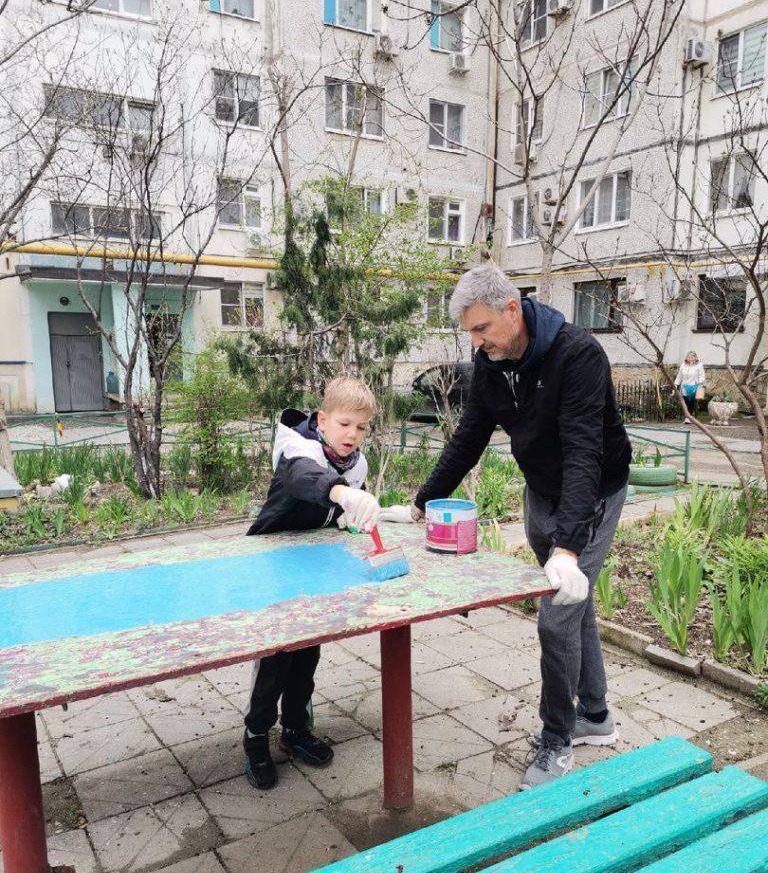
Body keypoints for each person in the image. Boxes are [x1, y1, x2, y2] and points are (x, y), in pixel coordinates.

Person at [392, 264, 632, 789]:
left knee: (555, 618)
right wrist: (421, 504)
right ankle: (596, 716)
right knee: (575, 604)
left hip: (591, 495)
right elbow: (469, 437)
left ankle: (556, 743)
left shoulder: (578, 355)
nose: (476, 343)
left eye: (481, 329)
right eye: (469, 334)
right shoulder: (490, 364)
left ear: (510, 309)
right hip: (540, 491)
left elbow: (584, 455)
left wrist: (568, 547)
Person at [243, 376, 381, 790]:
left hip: (315, 565)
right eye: (343, 424)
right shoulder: (296, 448)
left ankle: (295, 730)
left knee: (308, 655)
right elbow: (305, 481)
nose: (351, 435)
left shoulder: (355, 464)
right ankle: (255, 737)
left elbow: (336, 513)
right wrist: (341, 496)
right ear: (322, 420)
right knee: (277, 658)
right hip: (276, 564)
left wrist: (351, 517)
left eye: (360, 428)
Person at [673, 351, 706, 423]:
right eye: (689, 357)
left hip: (694, 386)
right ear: (686, 357)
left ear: (695, 357)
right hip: (685, 386)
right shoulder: (683, 365)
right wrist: (676, 384)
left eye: (692, 357)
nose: (690, 358)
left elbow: (702, 375)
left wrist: (700, 383)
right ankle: (687, 417)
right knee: (685, 402)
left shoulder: (699, 365)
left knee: (692, 402)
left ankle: (689, 417)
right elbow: (679, 376)